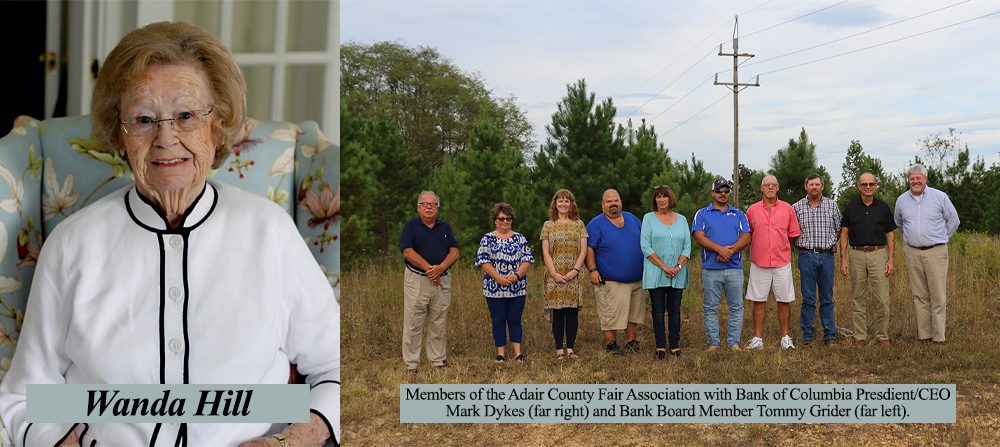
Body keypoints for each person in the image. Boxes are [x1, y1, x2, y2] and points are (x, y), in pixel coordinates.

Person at [0, 22, 339, 446]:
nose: (166, 139)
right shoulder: (72, 244)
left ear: (217, 125)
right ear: (119, 135)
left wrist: (291, 440)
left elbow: (337, 368)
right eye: (143, 119)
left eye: (186, 116)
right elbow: (27, 397)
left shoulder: (268, 231)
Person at [894, 164, 959, 344]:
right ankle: (924, 336)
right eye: (912, 178)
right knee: (919, 295)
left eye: (918, 178)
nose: (915, 181)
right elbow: (899, 223)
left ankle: (939, 337)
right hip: (912, 252)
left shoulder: (940, 197)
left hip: (936, 252)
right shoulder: (901, 200)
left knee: (938, 295)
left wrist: (942, 237)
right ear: (908, 180)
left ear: (925, 179)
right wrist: (912, 238)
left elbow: (953, 220)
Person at [400, 191, 459, 370]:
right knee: (412, 323)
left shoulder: (445, 227)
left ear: (437, 207)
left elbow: (455, 251)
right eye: (425, 204)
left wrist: (440, 268)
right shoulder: (411, 227)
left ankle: (437, 360)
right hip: (417, 279)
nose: (428, 207)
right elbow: (407, 251)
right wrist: (429, 269)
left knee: (439, 321)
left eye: (432, 204)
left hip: (442, 280)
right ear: (418, 207)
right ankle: (411, 364)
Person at [691, 179, 751, 351]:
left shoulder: (739, 214)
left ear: (729, 193)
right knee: (710, 307)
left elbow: (746, 237)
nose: (722, 194)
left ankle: (734, 343)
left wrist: (728, 252)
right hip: (711, 269)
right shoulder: (702, 214)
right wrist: (719, 250)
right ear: (712, 193)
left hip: (734, 269)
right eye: (719, 191)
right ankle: (713, 344)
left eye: (725, 191)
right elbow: (699, 236)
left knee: (736, 307)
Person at [744, 175, 801, 351]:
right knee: (758, 300)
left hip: (782, 262)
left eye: (773, 184)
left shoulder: (787, 209)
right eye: (766, 185)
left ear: (778, 188)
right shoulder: (751, 210)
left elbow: (793, 235)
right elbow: (747, 235)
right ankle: (757, 338)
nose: (770, 187)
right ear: (761, 189)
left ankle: (785, 337)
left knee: (784, 300)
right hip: (759, 262)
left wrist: (781, 248)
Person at [585, 189, 644, 355]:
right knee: (610, 314)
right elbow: (589, 248)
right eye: (609, 201)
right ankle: (611, 344)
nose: (613, 204)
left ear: (620, 202)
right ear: (603, 205)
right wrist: (592, 270)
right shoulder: (596, 224)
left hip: (636, 279)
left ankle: (631, 342)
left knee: (634, 314)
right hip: (611, 280)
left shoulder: (632, 219)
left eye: (616, 200)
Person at [840, 173, 896, 347]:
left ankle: (882, 336)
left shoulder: (883, 207)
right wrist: (843, 259)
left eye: (871, 183)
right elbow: (844, 233)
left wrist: (891, 259)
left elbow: (890, 234)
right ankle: (860, 337)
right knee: (858, 298)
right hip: (856, 254)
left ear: (876, 185)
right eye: (864, 184)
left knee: (883, 299)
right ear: (859, 186)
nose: (868, 187)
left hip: (878, 254)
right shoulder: (851, 207)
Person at [476, 203, 535, 363]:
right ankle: (500, 353)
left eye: (508, 218)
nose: (505, 221)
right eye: (501, 218)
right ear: (495, 220)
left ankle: (518, 353)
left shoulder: (519, 238)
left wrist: (516, 275)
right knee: (498, 320)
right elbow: (483, 261)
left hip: (517, 288)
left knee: (515, 319)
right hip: (494, 289)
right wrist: (498, 278)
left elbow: (528, 259)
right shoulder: (487, 239)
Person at [640, 185, 691, 359]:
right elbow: (645, 246)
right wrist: (664, 266)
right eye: (658, 197)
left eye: (664, 196)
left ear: (670, 199)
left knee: (675, 310)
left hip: (678, 273)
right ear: (655, 200)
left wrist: (677, 267)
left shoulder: (682, 219)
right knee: (658, 310)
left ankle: (675, 346)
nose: (661, 200)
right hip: (656, 272)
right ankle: (660, 346)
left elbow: (687, 246)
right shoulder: (648, 218)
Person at [792, 173, 842, 346]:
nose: (814, 187)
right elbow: (791, 232)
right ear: (806, 187)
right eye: (811, 184)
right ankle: (808, 335)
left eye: (817, 184)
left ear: (823, 187)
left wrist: (831, 243)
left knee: (827, 297)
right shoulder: (796, 207)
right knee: (808, 298)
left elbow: (839, 229)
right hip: (806, 256)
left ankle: (830, 334)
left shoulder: (832, 205)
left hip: (827, 256)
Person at [539, 189, 588, 360]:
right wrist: (554, 274)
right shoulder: (548, 225)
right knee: (558, 313)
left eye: (566, 201)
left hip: (573, 275)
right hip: (554, 276)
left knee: (572, 313)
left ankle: (571, 348)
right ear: (555, 204)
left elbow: (583, 250)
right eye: (560, 201)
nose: (563, 204)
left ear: (571, 204)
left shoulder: (579, 225)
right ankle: (559, 349)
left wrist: (575, 270)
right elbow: (545, 252)